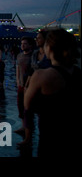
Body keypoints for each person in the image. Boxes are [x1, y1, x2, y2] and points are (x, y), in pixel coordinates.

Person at [23, 29, 81, 157]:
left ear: (49, 47)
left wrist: (27, 138)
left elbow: (27, 108)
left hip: (50, 140)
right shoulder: (78, 74)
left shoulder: (41, 76)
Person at [14, 36, 34, 135]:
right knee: (20, 106)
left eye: (25, 44)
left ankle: (29, 129)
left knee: (29, 108)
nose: (22, 45)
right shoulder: (19, 56)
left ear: (30, 45)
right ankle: (24, 126)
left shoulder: (33, 56)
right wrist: (17, 80)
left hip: (31, 86)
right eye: (22, 43)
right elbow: (18, 69)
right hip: (21, 85)